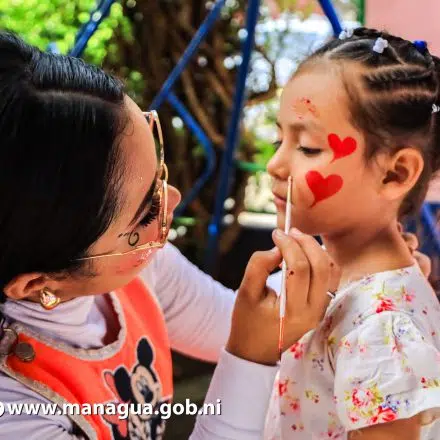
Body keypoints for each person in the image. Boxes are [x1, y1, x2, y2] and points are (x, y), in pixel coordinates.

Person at [0, 30, 430, 440]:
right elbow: (251, 335)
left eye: (159, 170)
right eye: (145, 212)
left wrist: (350, 287)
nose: (172, 198)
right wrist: (249, 356)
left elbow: (245, 321)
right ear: (37, 284)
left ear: (396, 174)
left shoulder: (384, 328)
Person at [260, 27, 440, 439]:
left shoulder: (379, 330)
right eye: (278, 139)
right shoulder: (337, 282)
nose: (275, 164)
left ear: (395, 174)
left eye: (308, 148)